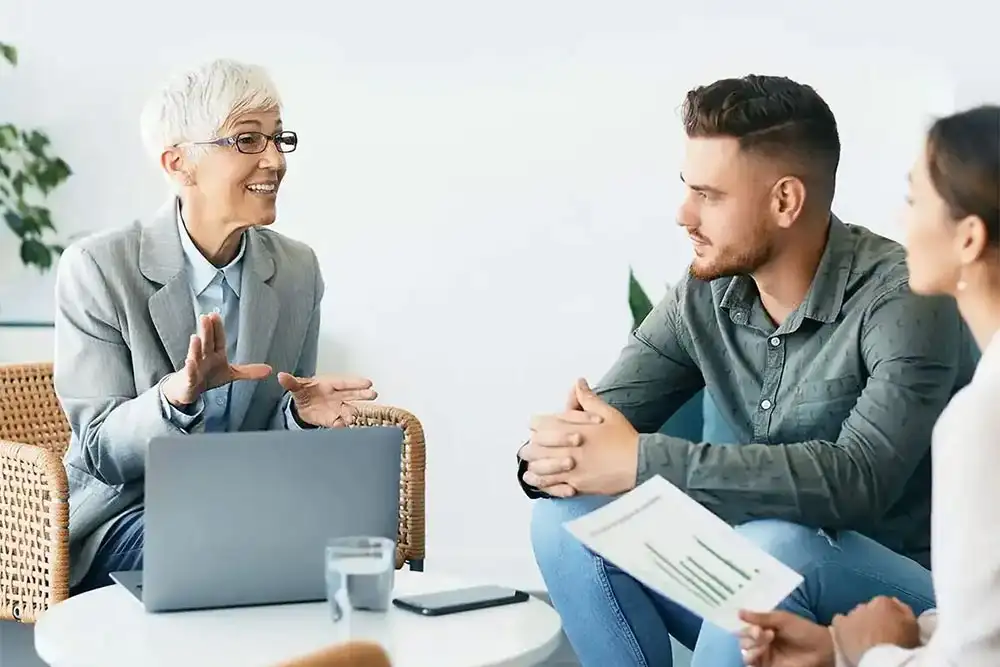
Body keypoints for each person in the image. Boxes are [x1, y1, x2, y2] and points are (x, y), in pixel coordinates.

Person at [517, 74, 980, 667]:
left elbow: (858, 482)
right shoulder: (704, 295)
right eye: (688, 188)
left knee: (775, 546)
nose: (684, 215)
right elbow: (592, 429)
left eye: (710, 195)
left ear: (785, 200)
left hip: (906, 594)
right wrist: (550, 457)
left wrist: (638, 460)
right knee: (564, 517)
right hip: (755, 573)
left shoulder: (901, 300)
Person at [54, 58, 378, 594]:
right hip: (127, 511)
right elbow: (97, 451)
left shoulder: (297, 271)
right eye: (248, 140)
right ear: (179, 163)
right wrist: (176, 398)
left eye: (279, 139)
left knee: (346, 539)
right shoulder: (97, 268)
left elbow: (271, 430)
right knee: (228, 546)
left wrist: (298, 417)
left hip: (246, 502)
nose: (274, 160)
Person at [738, 104, 1000, 666]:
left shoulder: (982, 420)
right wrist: (837, 646)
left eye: (914, 199)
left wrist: (869, 653)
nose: (900, 222)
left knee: (770, 559)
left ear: (969, 238)